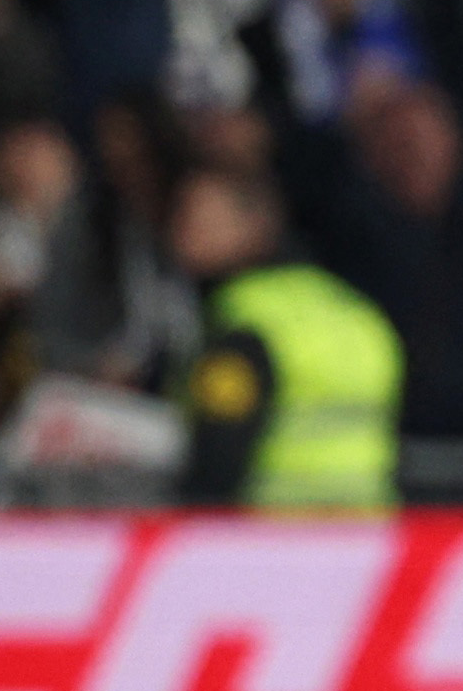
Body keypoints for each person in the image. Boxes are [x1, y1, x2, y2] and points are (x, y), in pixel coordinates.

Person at [169, 170, 403, 512]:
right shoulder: (353, 309)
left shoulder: (245, 318)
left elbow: (220, 442)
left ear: (253, 225)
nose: (180, 234)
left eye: (199, 218)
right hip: (369, 531)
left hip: (275, 537)